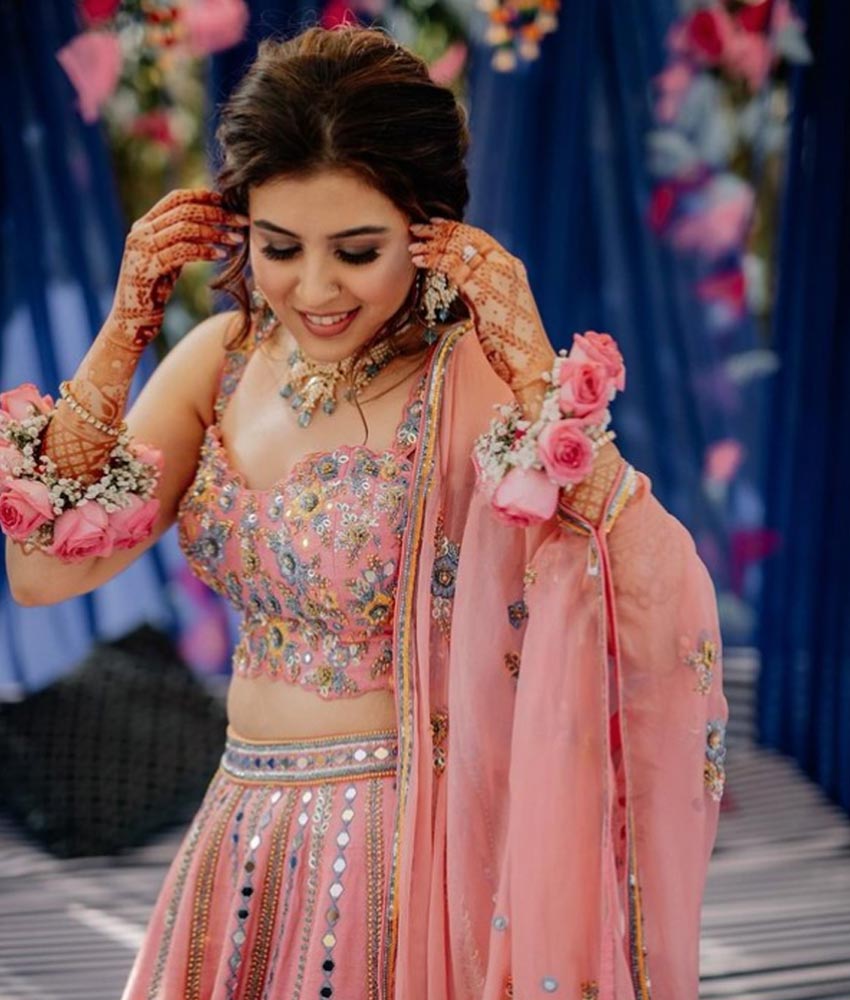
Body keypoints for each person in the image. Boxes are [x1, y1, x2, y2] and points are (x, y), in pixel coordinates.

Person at [1, 25, 729, 1000]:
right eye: (278, 246)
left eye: (355, 250)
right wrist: (126, 323)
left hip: (402, 849)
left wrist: (529, 364)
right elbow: (45, 571)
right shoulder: (220, 361)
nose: (314, 288)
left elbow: (632, 576)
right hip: (242, 831)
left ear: (428, 231)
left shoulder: (459, 384)